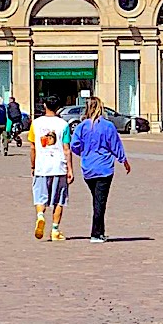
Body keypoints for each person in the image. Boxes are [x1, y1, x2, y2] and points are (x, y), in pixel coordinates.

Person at [68, 98, 131, 243]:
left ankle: (100, 232)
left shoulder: (81, 127)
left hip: (88, 168)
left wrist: (84, 153)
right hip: (104, 168)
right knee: (99, 202)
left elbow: (74, 145)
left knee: (97, 200)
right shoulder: (107, 126)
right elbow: (116, 145)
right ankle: (96, 234)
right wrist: (124, 161)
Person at [28, 98, 73, 241]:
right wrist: (70, 169)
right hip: (59, 166)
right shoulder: (64, 125)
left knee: (40, 196)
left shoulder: (36, 123)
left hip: (42, 166)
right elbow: (67, 149)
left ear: (44, 106)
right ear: (58, 107)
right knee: (59, 200)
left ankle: (40, 216)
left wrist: (33, 165)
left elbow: (33, 147)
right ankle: (55, 230)